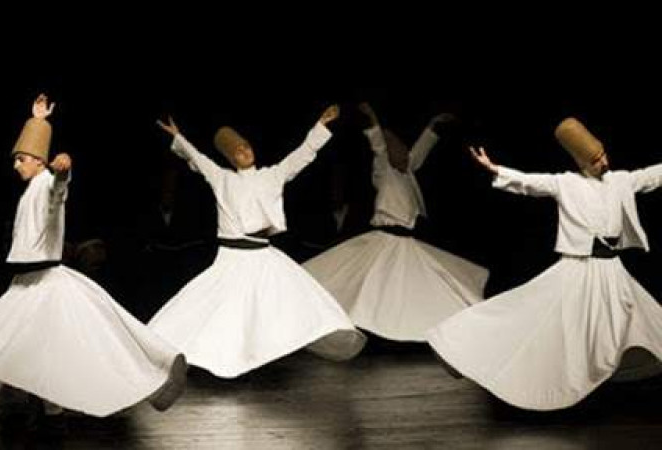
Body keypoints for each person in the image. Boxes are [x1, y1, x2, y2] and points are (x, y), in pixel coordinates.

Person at [0, 94, 186, 423]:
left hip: (46, 282)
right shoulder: (30, 187)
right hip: (25, 282)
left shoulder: (45, 183)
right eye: (16, 159)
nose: (16, 164)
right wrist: (40, 121)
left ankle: (36, 399)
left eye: (21, 159)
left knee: (34, 342)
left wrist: (63, 170)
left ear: (37, 162)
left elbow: (58, 193)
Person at [427, 117, 662, 410]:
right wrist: (495, 169)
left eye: (603, 155)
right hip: (580, 268)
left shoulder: (620, 181)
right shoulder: (567, 183)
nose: (603, 162)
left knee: (642, 317)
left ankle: (609, 369)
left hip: (612, 269)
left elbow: (652, 175)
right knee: (550, 319)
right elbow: (530, 182)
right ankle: (471, 343)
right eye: (596, 159)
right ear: (583, 162)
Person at [150, 104, 366, 378]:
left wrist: (321, 125)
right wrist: (178, 138)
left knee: (299, 297)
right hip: (233, 258)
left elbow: (301, 155)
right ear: (230, 158)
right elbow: (198, 158)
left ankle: (280, 345)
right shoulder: (222, 178)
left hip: (263, 256)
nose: (245, 151)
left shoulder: (271, 175)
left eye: (247, 147)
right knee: (211, 304)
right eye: (238, 151)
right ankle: (174, 348)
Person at [303, 102, 488, 342]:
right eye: (398, 152)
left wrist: (433, 125)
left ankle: (427, 327)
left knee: (418, 284)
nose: (403, 156)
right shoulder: (384, 170)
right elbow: (378, 145)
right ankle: (351, 325)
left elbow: (422, 149)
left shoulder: (407, 171)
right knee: (368, 284)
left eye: (405, 153)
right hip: (385, 239)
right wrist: (372, 119)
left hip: (406, 242)